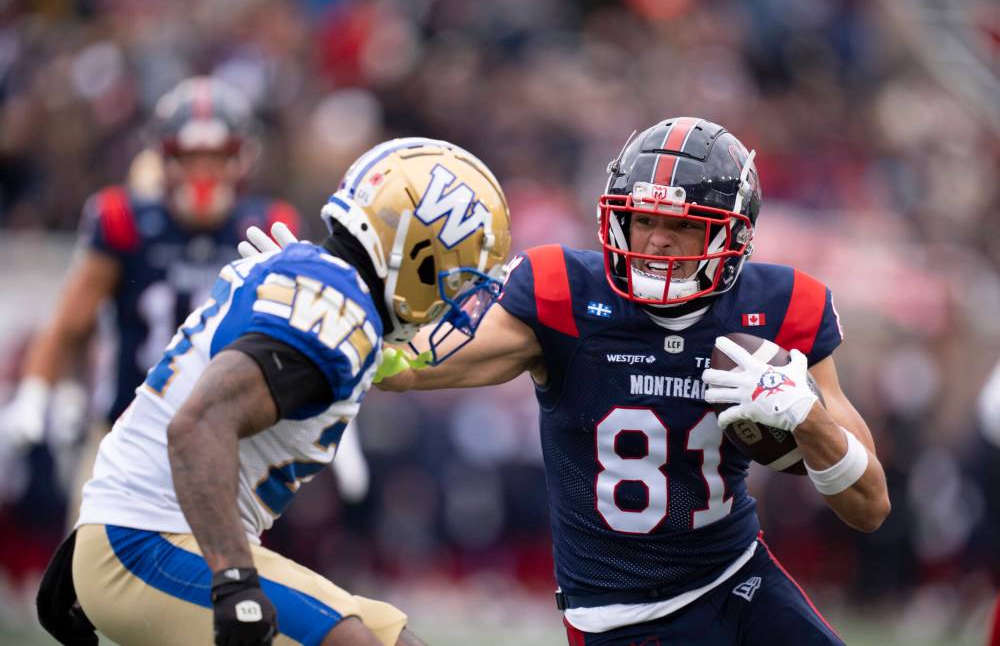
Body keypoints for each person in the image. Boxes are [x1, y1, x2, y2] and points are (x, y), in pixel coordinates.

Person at [371, 118, 889, 645]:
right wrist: (348, 316)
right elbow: (409, 366)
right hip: (620, 617)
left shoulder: (778, 308)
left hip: (738, 577)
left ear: (733, 235)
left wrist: (805, 416)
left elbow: (870, 506)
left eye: (683, 225)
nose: (658, 240)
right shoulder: (566, 294)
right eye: (642, 219)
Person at [35, 137, 512, 645]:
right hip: (152, 540)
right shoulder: (334, 310)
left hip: (150, 531)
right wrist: (234, 582)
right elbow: (196, 425)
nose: (457, 303)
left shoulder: (324, 290)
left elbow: (169, 401)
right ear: (418, 257)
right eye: (457, 281)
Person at [0, 76, 304, 515]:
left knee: (216, 556)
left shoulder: (266, 225)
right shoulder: (126, 221)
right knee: (88, 548)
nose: (204, 172)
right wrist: (36, 392)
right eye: (191, 157)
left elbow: (296, 334)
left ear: (241, 157)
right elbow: (70, 323)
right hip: (124, 433)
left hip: (224, 440)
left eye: (217, 157)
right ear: (165, 157)